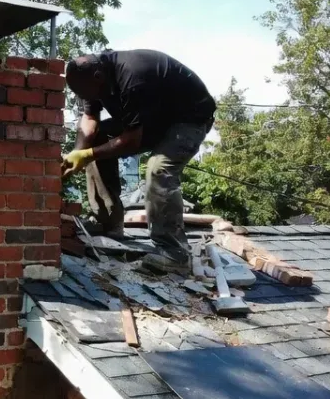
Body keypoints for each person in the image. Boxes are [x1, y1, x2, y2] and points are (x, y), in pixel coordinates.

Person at [61, 49, 216, 274]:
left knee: (159, 168)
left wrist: (88, 155)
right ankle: (110, 225)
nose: (89, 98)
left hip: (188, 119)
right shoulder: (87, 76)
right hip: (153, 119)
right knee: (96, 141)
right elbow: (90, 118)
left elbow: (131, 141)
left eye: (88, 93)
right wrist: (77, 152)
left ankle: (175, 253)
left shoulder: (133, 76)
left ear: (98, 77)